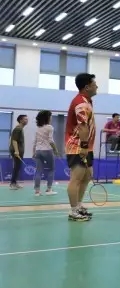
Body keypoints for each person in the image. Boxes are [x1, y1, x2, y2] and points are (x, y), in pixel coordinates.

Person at [65, 73, 98, 221]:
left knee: (86, 176)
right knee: (76, 178)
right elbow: (83, 126)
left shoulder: (87, 101)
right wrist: (84, 146)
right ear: (87, 87)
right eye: (94, 84)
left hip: (86, 146)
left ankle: (78, 205)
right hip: (77, 146)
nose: (97, 86)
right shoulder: (81, 103)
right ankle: (73, 211)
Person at [33, 110, 59, 196]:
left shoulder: (38, 129)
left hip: (38, 151)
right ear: (47, 118)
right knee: (51, 169)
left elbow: (35, 142)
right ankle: (49, 189)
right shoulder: (50, 127)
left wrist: (33, 152)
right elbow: (51, 140)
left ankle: (37, 191)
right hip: (47, 150)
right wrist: (55, 150)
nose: (51, 118)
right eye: (50, 116)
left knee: (38, 171)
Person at [8, 114, 27, 190]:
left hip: (19, 151)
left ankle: (14, 183)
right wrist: (16, 151)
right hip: (16, 151)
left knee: (17, 167)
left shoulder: (21, 128)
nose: (27, 120)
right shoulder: (18, 128)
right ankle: (12, 184)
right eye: (25, 119)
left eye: (27, 119)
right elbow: (14, 140)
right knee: (16, 167)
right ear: (21, 120)